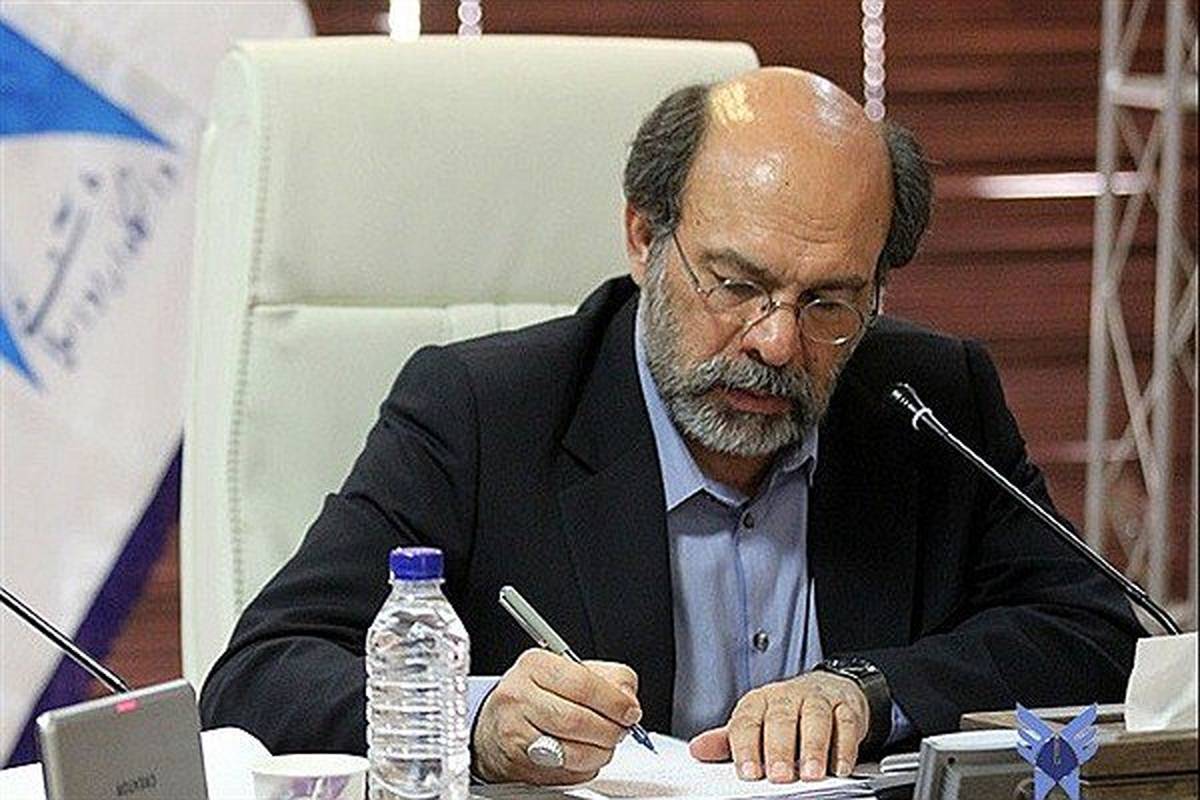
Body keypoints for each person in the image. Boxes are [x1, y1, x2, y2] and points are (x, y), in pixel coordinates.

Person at [199, 67, 1142, 786]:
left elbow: (1095, 635)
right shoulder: (483, 412)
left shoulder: (928, 400)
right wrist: (476, 719)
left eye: (829, 302)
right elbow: (260, 674)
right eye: (736, 285)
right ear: (645, 239)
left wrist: (869, 690)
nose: (776, 342)